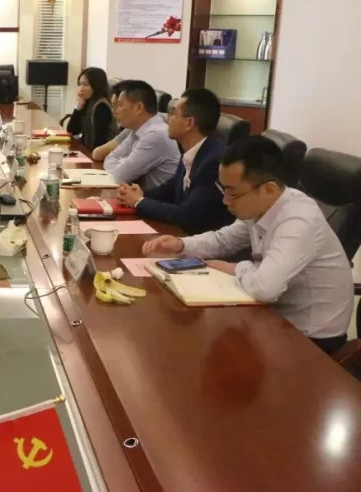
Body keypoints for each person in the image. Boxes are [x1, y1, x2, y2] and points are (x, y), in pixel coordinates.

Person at [142, 136, 353, 355]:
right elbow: (224, 240)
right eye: (224, 190)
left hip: (310, 338)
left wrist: (237, 268)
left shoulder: (299, 221)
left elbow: (264, 289)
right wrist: (180, 244)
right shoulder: (263, 205)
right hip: (273, 315)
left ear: (269, 189)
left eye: (233, 193)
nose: (225, 201)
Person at [117, 88, 234, 234]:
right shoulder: (192, 149)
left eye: (173, 113)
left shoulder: (213, 162)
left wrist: (139, 202)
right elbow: (170, 189)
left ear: (189, 123)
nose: (168, 119)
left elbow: (188, 214)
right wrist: (139, 194)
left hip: (201, 240)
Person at [103, 80, 179, 190]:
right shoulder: (138, 130)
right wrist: (124, 163)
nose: (116, 110)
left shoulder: (155, 135)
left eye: (120, 105)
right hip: (139, 196)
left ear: (138, 108)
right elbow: (110, 158)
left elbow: (119, 176)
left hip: (155, 199)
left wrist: (122, 162)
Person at [64, 67, 113, 150]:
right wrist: (78, 107)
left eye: (85, 85)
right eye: (80, 84)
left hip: (99, 154)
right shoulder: (87, 102)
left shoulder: (101, 107)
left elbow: (99, 142)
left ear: (96, 86)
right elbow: (72, 131)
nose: (81, 89)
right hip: (88, 151)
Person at [91, 81, 129, 161]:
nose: (114, 111)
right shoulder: (129, 130)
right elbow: (97, 153)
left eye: (120, 105)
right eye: (113, 105)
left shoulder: (102, 106)